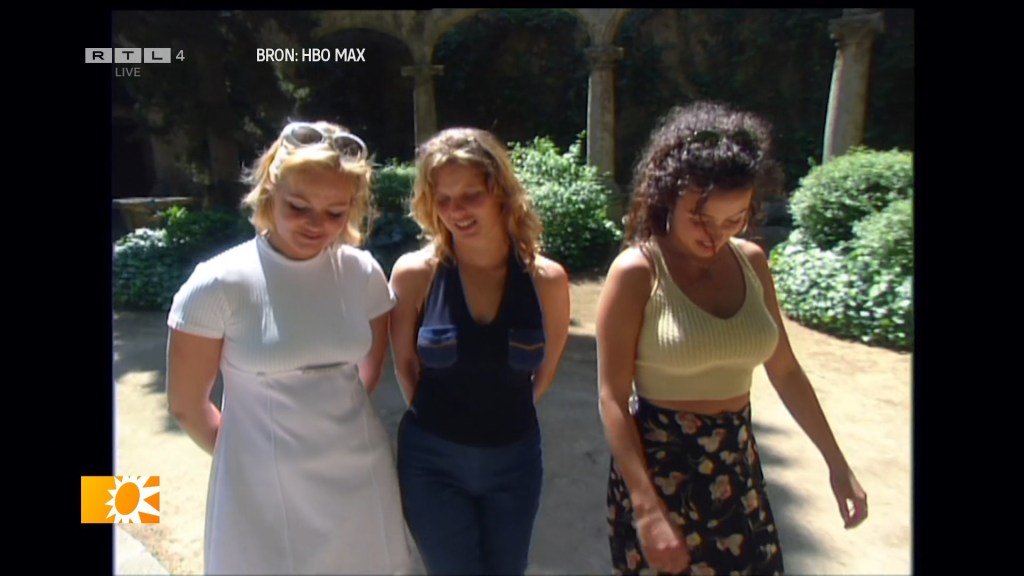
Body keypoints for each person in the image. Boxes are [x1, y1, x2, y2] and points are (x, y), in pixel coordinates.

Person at [596, 101, 868, 575]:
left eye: (733, 218)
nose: (715, 234)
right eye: (700, 218)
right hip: (662, 471)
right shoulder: (638, 271)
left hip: (738, 468)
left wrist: (836, 463)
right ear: (667, 197)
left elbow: (786, 370)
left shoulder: (752, 261)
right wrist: (647, 509)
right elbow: (612, 398)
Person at [165, 120, 414, 575]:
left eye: (336, 212)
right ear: (269, 191)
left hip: (360, 478)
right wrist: (249, 459)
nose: (318, 225)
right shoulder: (217, 283)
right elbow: (186, 404)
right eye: (299, 207)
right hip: (262, 489)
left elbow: (366, 375)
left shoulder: (362, 272)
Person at [388, 127, 571, 575]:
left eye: (471, 195)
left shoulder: (546, 280)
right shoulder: (415, 274)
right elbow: (405, 365)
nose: (457, 211)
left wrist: (502, 417)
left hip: (515, 460)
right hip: (432, 461)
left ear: (501, 193)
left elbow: (546, 367)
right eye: (444, 199)